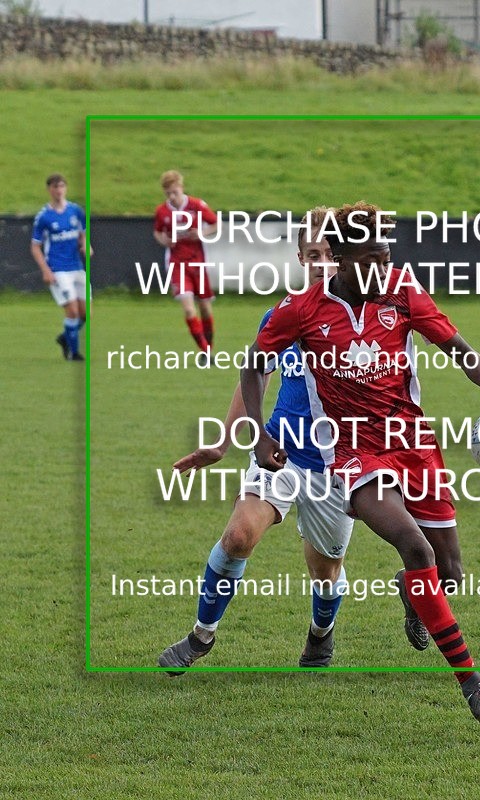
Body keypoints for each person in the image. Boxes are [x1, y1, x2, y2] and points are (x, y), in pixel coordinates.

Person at [243, 202, 480, 722]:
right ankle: (473, 685)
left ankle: (412, 593)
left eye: (386, 258)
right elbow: (254, 365)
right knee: (415, 547)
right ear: (342, 258)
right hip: (352, 452)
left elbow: (454, 343)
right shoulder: (302, 309)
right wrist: (258, 433)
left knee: (448, 572)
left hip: (413, 445)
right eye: (372, 260)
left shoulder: (402, 290)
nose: (383, 269)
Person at [159, 207, 354, 671]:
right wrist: (224, 442)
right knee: (238, 536)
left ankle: (320, 635)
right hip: (279, 453)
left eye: (330, 254)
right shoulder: (282, 315)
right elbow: (256, 375)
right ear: (300, 258)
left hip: (337, 465)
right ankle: (201, 635)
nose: (322, 264)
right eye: (313, 255)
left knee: (325, 570)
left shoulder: (364, 319)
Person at [153, 171, 219, 362]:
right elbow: (157, 232)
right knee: (189, 310)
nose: (172, 197)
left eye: (175, 192)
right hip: (177, 265)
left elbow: (215, 224)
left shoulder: (196, 206)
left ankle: (208, 350)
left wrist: (201, 233)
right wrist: (164, 240)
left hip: (198, 263)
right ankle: (205, 351)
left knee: (205, 308)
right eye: (168, 194)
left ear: (181, 188)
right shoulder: (162, 211)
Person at [30, 173, 88, 361]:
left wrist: (86, 244)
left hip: (77, 267)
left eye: (62, 186)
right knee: (72, 312)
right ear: (49, 190)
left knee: (86, 314)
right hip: (58, 269)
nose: (59, 190)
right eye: (55, 187)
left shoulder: (75, 211)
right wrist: (46, 271)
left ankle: (65, 338)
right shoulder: (44, 217)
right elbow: (35, 246)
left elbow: (83, 233)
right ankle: (74, 354)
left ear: (66, 188)